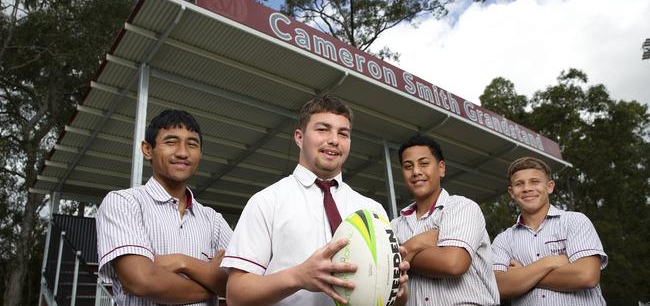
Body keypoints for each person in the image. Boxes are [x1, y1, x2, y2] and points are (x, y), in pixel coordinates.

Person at [222, 94, 408, 306]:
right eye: (323, 129)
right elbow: (236, 295)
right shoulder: (267, 201)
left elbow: (399, 301)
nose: (334, 140)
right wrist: (298, 276)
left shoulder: (372, 210)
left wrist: (397, 285)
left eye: (343, 133)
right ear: (299, 137)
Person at [96, 109, 232, 305]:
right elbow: (141, 281)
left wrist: (181, 262)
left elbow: (241, 281)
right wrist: (211, 280)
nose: (183, 153)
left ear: (201, 153)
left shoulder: (213, 220)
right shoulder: (124, 202)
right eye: (171, 142)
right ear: (147, 149)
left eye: (192, 144)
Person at [391, 135, 500, 306]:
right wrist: (416, 244)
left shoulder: (461, 207)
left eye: (424, 163)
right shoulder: (394, 226)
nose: (416, 171)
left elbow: (453, 263)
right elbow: (385, 280)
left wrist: (398, 255)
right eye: (408, 166)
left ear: (441, 168)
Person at [491, 156, 607, 305]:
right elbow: (499, 287)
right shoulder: (503, 240)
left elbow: (586, 276)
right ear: (511, 192)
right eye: (519, 184)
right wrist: (550, 262)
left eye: (535, 181)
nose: (527, 188)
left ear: (550, 186)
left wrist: (523, 274)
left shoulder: (575, 221)